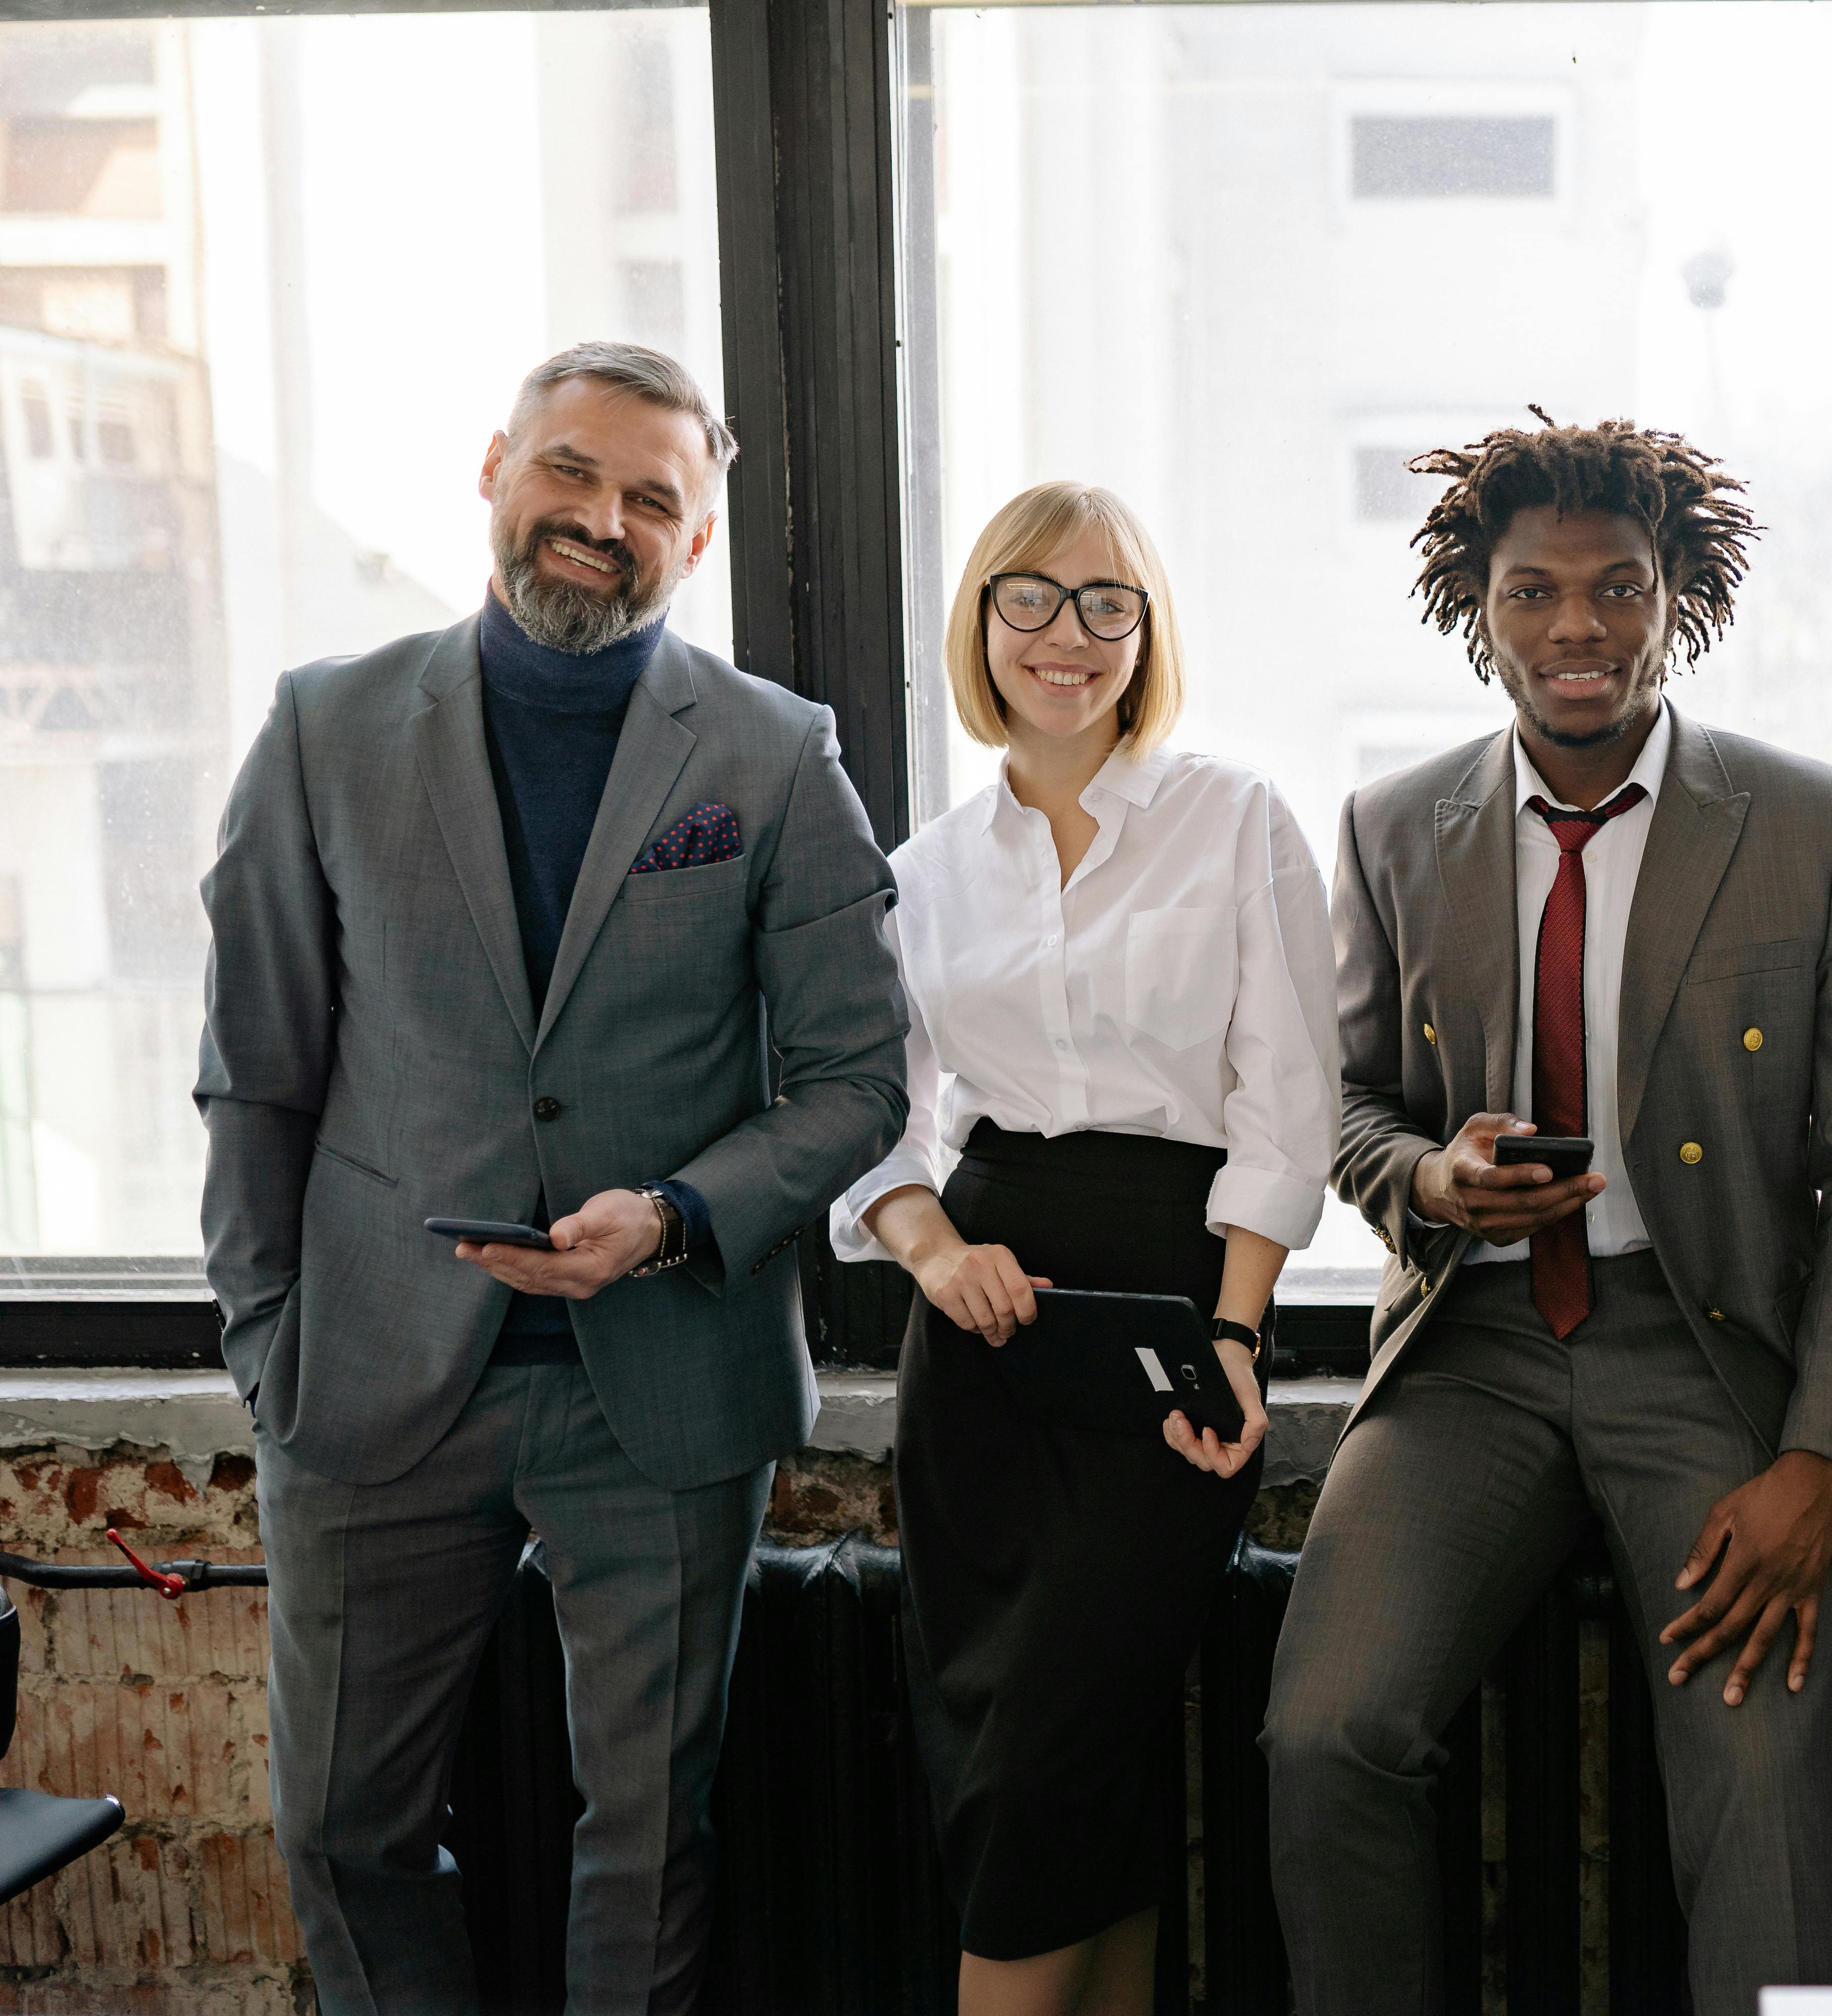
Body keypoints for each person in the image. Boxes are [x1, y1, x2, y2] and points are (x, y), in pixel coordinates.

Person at [196, 342, 906, 2015]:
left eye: (652, 499)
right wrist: (265, 1346)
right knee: (337, 1834)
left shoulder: (774, 755)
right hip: (369, 1378)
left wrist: (675, 1218)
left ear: (700, 541)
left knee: (647, 1844)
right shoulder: (325, 726)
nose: (602, 520)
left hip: (663, 1388)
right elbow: (257, 1071)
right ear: (497, 468)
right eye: (571, 475)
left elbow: (858, 1079)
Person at [1261, 413, 1832, 2014]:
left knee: (1768, 1785)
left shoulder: (1815, 822)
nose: (1581, 630)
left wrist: (1824, 1460)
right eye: (1537, 594)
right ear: (1476, 611)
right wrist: (1430, 1180)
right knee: (1324, 1736)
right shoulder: (1389, 826)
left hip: (1701, 1360)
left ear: (1679, 593)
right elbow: (1337, 1104)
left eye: (1621, 589)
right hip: (1474, 1351)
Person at [830, 480, 1337, 2016]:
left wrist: (1238, 1337)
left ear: (1147, 631)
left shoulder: (1236, 820)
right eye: (1033, 598)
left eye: (1107, 602)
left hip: (1169, 1329)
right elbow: (873, 1119)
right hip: (981, 1335)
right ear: (982, 621)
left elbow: (1288, 1107)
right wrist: (927, 1253)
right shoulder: (920, 873)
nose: (1070, 635)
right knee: (1047, 1765)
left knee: (1049, 1753)